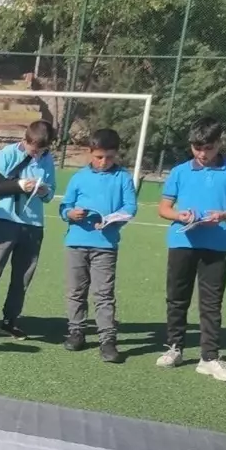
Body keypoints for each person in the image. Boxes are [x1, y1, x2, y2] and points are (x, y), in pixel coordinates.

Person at [156, 117, 226, 382]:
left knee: (211, 303)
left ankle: (209, 358)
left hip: (216, 245)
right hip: (181, 242)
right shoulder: (179, 172)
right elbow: (163, 208)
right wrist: (180, 215)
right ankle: (174, 348)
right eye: (197, 148)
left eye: (207, 148)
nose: (201, 154)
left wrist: (223, 215)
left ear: (219, 143)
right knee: (177, 297)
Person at [0, 120, 56, 342]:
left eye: (41, 151)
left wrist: (44, 191)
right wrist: (19, 185)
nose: (36, 155)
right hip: (7, 221)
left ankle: (10, 321)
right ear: (25, 141)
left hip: (34, 225)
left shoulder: (48, 160)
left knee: (22, 277)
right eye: (34, 150)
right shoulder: (7, 154)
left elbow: (51, 194)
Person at [58, 129, 138, 363]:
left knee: (103, 294)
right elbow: (64, 207)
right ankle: (76, 331)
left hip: (106, 245)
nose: (104, 162)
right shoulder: (79, 177)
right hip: (76, 243)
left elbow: (130, 208)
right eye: (99, 157)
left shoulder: (123, 177)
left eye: (110, 157)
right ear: (90, 152)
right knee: (75, 291)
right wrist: (71, 213)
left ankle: (107, 340)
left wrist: (114, 218)